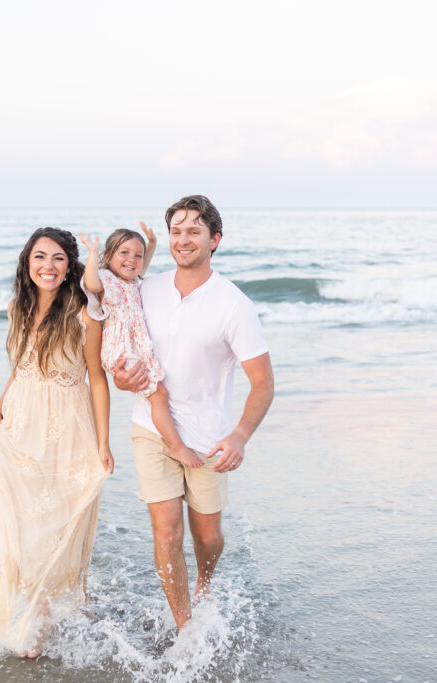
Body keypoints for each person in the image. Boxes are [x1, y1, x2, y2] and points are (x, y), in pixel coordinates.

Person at [112, 195, 274, 631]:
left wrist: (239, 435)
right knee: (166, 532)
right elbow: (120, 353)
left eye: (194, 231)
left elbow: (263, 383)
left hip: (209, 440)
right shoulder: (145, 289)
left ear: (214, 240)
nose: (183, 240)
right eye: (176, 231)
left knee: (207, 537)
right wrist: (122, 379)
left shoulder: (233, 304)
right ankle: (184, 625)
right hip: (152, 428)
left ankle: (204, 581)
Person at [0, 227, 115, 657]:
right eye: (40, 257)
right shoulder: (15, 309)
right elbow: (19, 365)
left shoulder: (83, 312)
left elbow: (97, 376)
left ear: (70, 265)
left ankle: (67, 605)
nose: (48, 266)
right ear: (27, 263)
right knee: (23, 525)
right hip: (20, 425)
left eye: (58, 258)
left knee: (62, 521)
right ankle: (40, 610)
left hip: (67, 427)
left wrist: (104, 442)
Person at [78, 224, 203, 469]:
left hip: (136, 347)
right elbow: (91, 284)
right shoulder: (106, 279)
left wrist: (153, 242)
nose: (132, 260)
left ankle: (171, 442)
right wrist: (93, 252)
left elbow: (142, 266)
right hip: (122, 349)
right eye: (124, 253)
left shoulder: (132, 279)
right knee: (159, 395)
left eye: (137, 255)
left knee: (160, 395)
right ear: (109, 256)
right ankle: (177, 446)